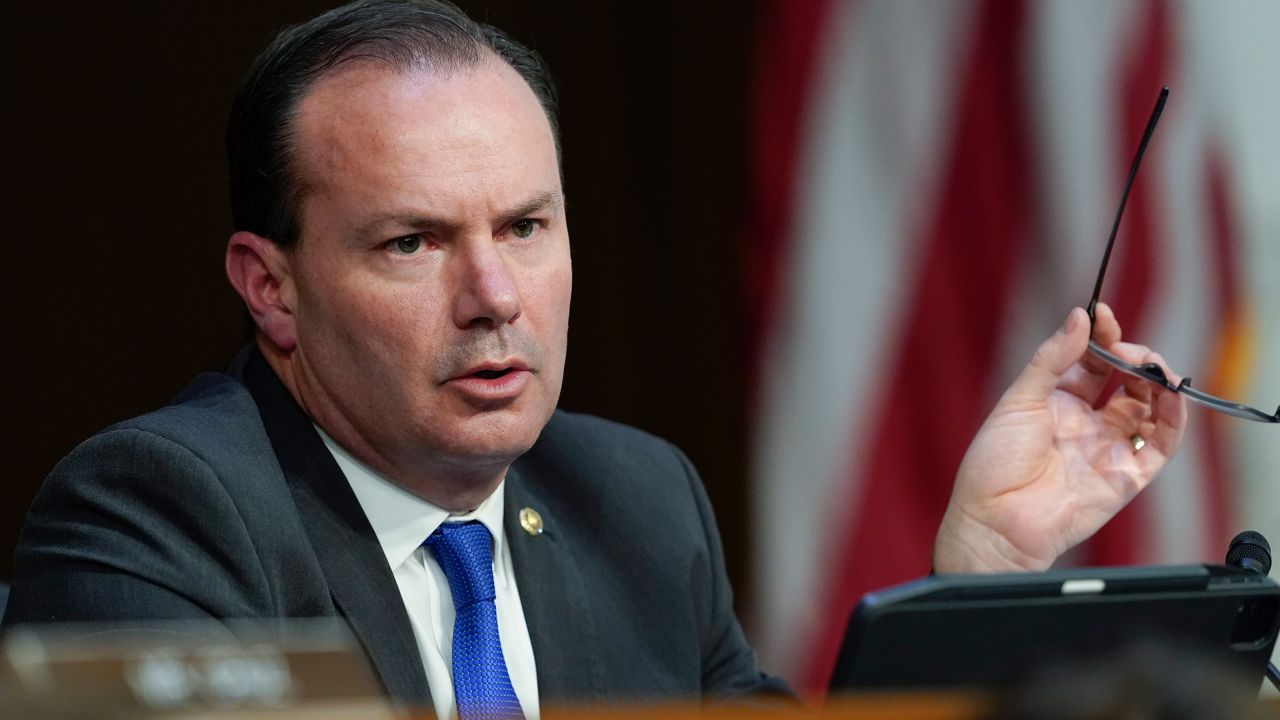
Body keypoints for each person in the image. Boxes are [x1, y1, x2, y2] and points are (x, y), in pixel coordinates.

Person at [1, 0, 1188, 717]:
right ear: (273, 288)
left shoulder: (631, 499)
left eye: (524, 226)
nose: (494, 297)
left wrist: (975, 572)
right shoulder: (162, 512)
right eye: (413, 242)